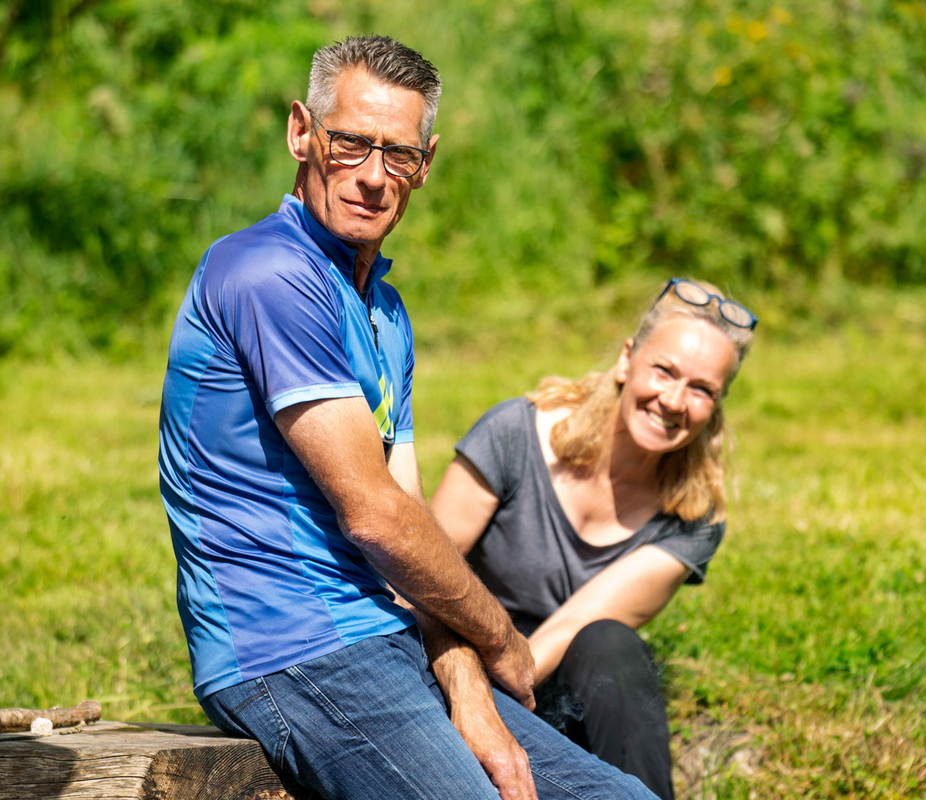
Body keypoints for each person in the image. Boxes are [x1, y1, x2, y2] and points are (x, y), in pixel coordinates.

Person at [158, 35, 656, 800]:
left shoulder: (384, 313)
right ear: (301, 132)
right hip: (287, 651)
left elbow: (409, 519)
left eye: (399, 154)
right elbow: (377, 518)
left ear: (425, 166)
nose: (372, 175)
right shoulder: (267, 272)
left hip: (385, 642)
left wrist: (466, 682)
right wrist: (500, 640)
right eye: (350, 143)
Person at [430, 278, 757, 799]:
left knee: (610, 643)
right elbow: (419, 575)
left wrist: (503, 711)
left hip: (551, 689)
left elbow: (574, 624)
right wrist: (471, 700)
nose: (674, 400)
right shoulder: (515, 434)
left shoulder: (694, 516)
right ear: (627, 359)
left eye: (702, 390)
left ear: (716, 405)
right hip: (454, 669)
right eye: (664, 370)